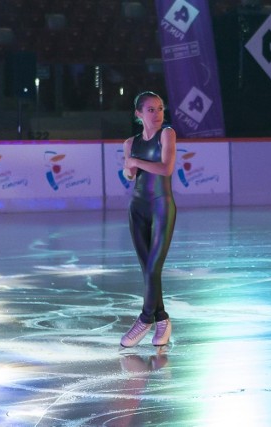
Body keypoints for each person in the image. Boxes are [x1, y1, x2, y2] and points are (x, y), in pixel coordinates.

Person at [120, 91, 177, 348]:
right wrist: (129, 168)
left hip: (162, 206)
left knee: (154, 267)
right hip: (138, 208)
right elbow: (130, 176)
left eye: (160, 108)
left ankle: (145, 319)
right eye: (151, 110)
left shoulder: (167, 134)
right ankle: (162, 319)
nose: (157, 114)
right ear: (138, 114)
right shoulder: (130, 143)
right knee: (147, 270)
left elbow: (166, 168)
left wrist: (135, 162)